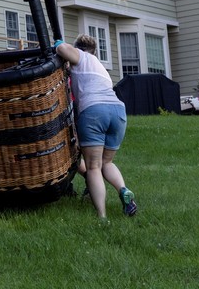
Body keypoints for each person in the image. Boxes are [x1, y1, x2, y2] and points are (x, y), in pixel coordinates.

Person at [56, 34, 138, 218]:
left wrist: (58, 44)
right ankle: (123, 190)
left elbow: (62, 49)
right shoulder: (101, 69)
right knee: (106, 162)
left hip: (94, 110)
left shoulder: (83, 57)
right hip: (118, 111)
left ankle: (102, 216)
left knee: (93, 167)